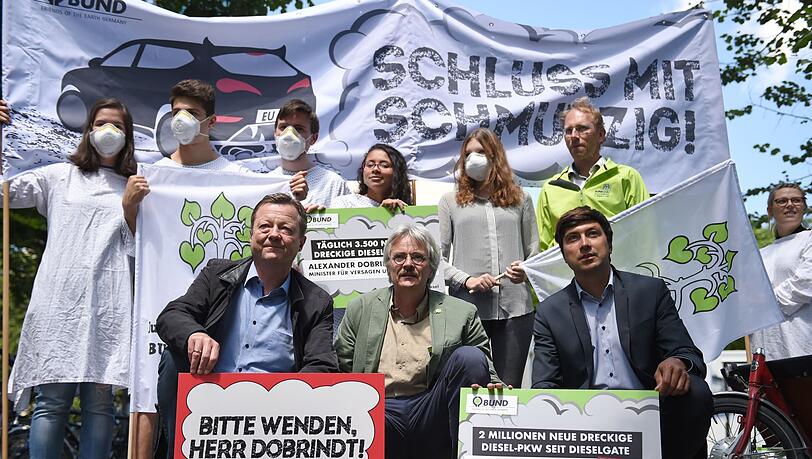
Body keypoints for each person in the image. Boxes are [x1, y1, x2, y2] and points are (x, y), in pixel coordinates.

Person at [4, 98, 148, 458]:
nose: (108, 131)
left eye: (117, 125)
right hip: (59, 302)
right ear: (88, 130)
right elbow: (3, 192)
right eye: (101, 122)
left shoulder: (138, 187)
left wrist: (131, 207)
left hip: (110, 305)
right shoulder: (58, 177)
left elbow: (143, 248)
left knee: (100, 405)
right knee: (51, 402)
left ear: (128, 136)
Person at [154, 193, 337, 457]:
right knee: (173, 358)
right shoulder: (216, 275)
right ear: (251, 235)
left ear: (301, 243)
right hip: (206, 403)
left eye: (285, 229)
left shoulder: (317, 301)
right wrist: (195, 334)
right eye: (265, 226)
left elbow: (321, 365)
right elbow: (173, 314)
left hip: (272, 419)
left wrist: (285, 398)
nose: (274, 234)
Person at [532, 206, 712, 459]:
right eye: (573, 238)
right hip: (586, 423)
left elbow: (688, 353)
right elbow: (545, 384)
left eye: (592, 234)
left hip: (652, 412)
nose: (584, 244)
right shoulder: (549, 312)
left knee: (696, 390)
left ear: (609, 243)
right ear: (564, 254)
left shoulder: (650, 291)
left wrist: (676, 362)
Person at [335, 224, 502, 459]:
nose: (408, 264)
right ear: (388, 266)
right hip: (379, 408)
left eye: (418, 258)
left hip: (431, 408)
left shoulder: (462, 311)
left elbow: (481, 362)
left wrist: (495, 385)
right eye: (399, 257)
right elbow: (342, 365)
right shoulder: (361, 308)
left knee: (470, 357)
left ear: (431, 268)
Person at [438, 128, 539, 387]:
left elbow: (534, 252)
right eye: (468, 153)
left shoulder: (522, 198)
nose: (473, 158)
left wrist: (524, 270)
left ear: (495, 156)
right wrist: (467, 279)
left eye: (480, 152)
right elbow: (437, 259)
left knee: (509, 386)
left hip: (516, 309)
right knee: (472, 383)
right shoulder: (449, 201)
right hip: (468, 310)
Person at [536, 97, 649, 250]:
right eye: (568, 131)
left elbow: (645, 235)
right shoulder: (551, 188)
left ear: (601, 135)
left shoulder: (625, 177)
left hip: (617, 270)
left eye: (582, 128)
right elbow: (542, 247)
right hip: (566, 273)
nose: (574, 136)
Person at [749, 183, 812, 359]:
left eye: (796, 200)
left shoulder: (809, 239)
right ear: (770, 210)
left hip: (803, 346)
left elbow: (805, 285)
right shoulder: (760, 254)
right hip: (765, 349)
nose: (790, 204)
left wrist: (764, 305)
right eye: (782, 201)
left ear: (804, 207)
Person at [268, 99, 349, 211]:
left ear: (313, 138)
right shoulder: (266, 183)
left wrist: (326, 217)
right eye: (283, 127)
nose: (289, 134)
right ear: (275, 134)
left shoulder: (333, 183)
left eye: (298, 129)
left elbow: (347, 222)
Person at [331, 143, 412, 211]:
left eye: (384, 165)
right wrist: (381, 214)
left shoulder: (406, 209)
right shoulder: (344, 203)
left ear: (397, 172)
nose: (375, 169)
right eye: (370, 165)